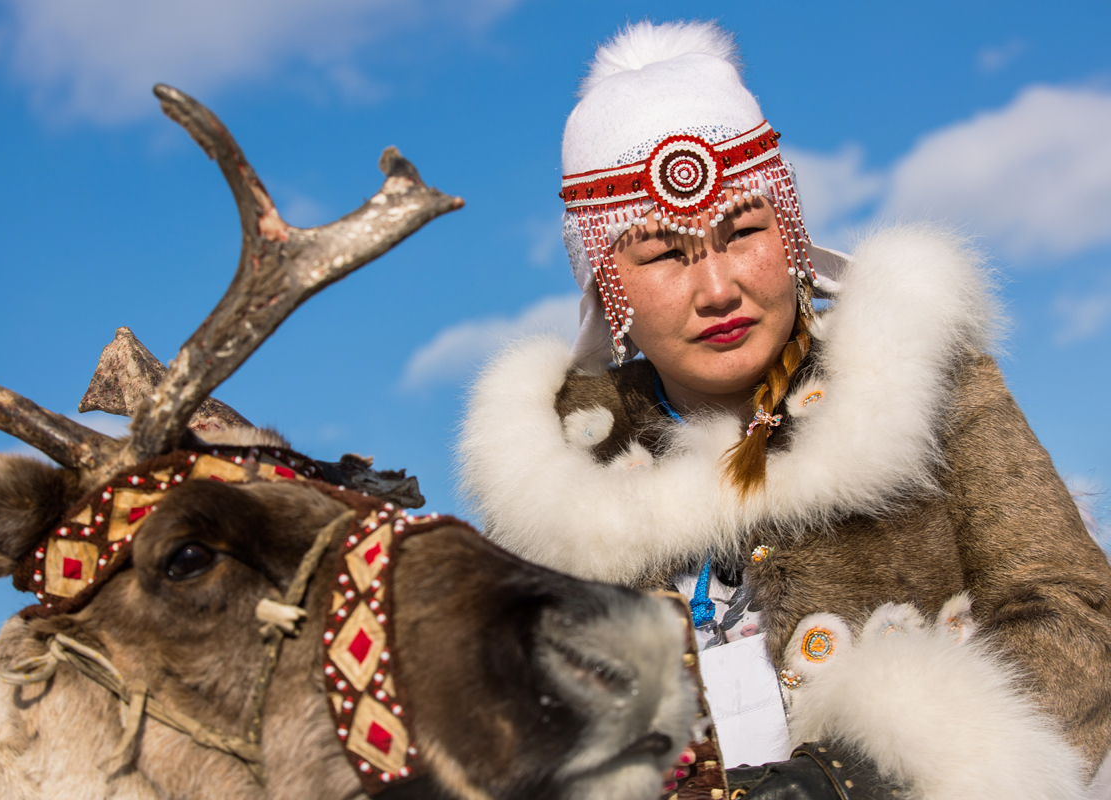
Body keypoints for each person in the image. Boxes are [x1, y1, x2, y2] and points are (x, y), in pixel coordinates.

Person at [458, 19, 1111, 800]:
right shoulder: (557, 470)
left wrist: (864, 775)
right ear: (607, 285)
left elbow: (1078, 616)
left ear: (791, 231)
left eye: (743, 232)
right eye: (666, 254)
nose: (718, 288)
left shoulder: (925, 379)